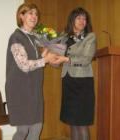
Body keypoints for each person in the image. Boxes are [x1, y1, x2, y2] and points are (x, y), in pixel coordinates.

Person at [5, 3, 57, 140]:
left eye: (36, 14)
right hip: (19, 90)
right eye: (30, 13)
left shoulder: (33, 38)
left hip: (33, 90)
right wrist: (45, 60)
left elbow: (35, 60)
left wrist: (46, 51)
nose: (34, 16)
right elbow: (24, 65)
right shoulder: (16, 37)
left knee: (36, 129)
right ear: (21, 16)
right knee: (23, 130)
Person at [52, 7, 96, 140]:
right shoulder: (64, 37)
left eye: (84, 18)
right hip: (68, 81)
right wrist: (50, 51)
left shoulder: (90, 37)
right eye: (79, 18)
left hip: (82, 83)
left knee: (81, 123)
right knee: (72, 121)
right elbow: (56, 61)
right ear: (72, 20)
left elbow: (86, 60)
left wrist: (66, 59)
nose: (82, 21)